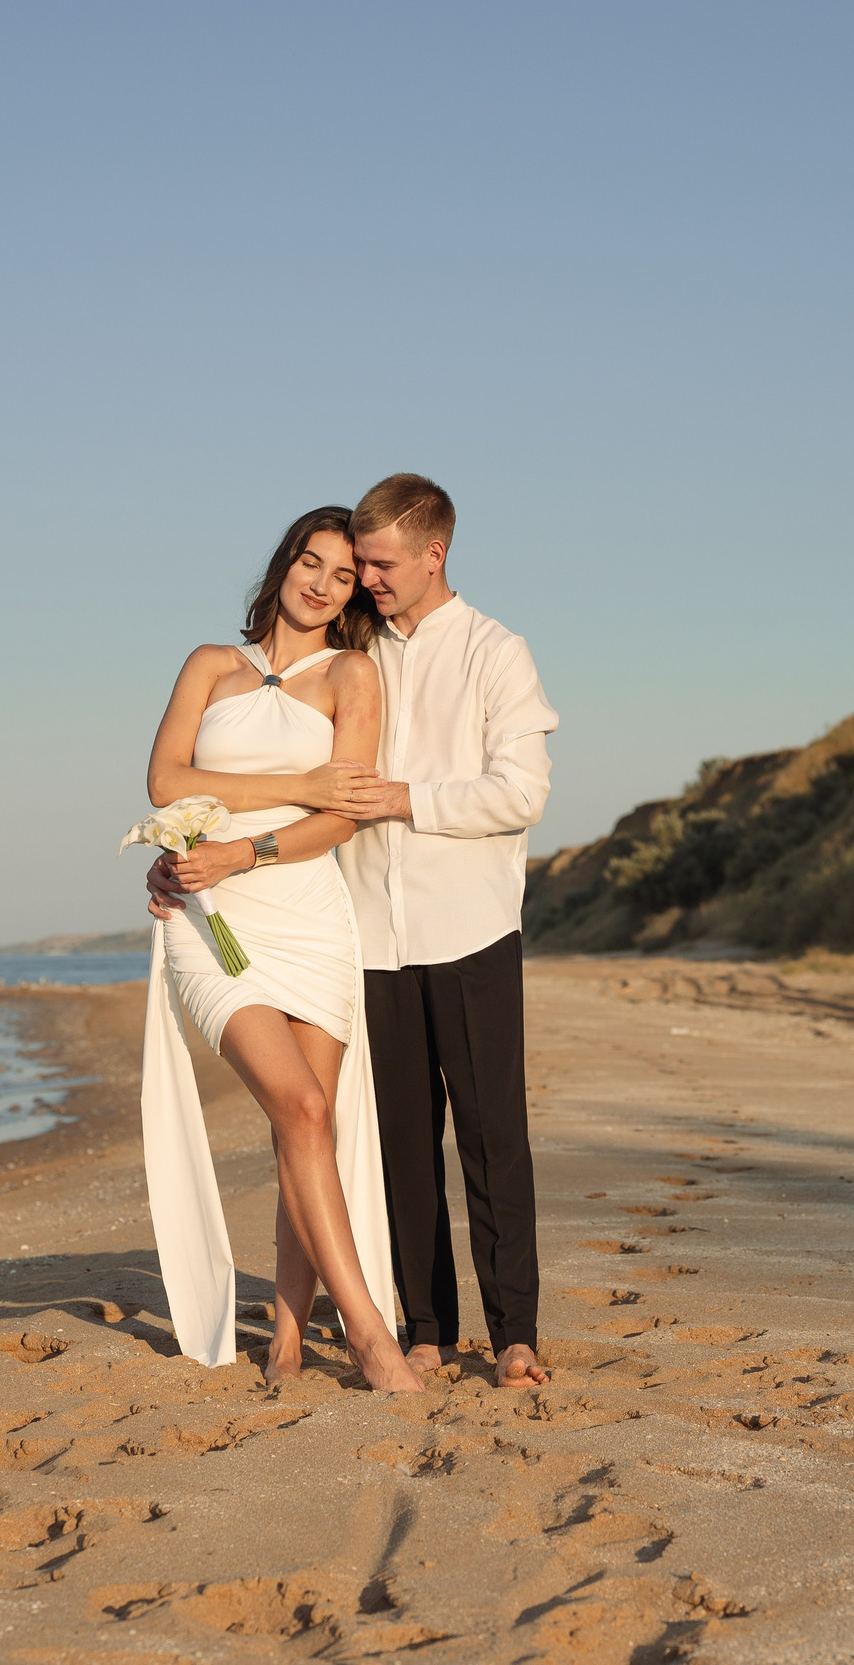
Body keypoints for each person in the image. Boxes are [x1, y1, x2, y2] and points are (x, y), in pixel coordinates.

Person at [135, 507, 422, 1394]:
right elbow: (166, 779)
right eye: (311, 561)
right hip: (211, 916)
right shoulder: (211, 665)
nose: (322, 583)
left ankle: (290, 1336)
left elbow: (344, 816)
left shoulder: (353, 674)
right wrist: (293, 785)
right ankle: (371, 1334)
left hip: (306, 914)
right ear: (284, 563)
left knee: (309, 1126)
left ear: (352, 595)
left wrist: (249, 844)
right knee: (298, 1107)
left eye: (343, 575)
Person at [328, 473, 559, 1388]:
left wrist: (405, 799)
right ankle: (425, 1325)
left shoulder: (499, 652)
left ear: (435, 553)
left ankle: (516, 1335)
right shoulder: (353, 655)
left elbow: (522, 791)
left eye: (380, 563)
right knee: (400, 1144)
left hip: (470, 929)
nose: (366, 580)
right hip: (371, 936)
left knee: (493, 1138)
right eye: (361, 562)